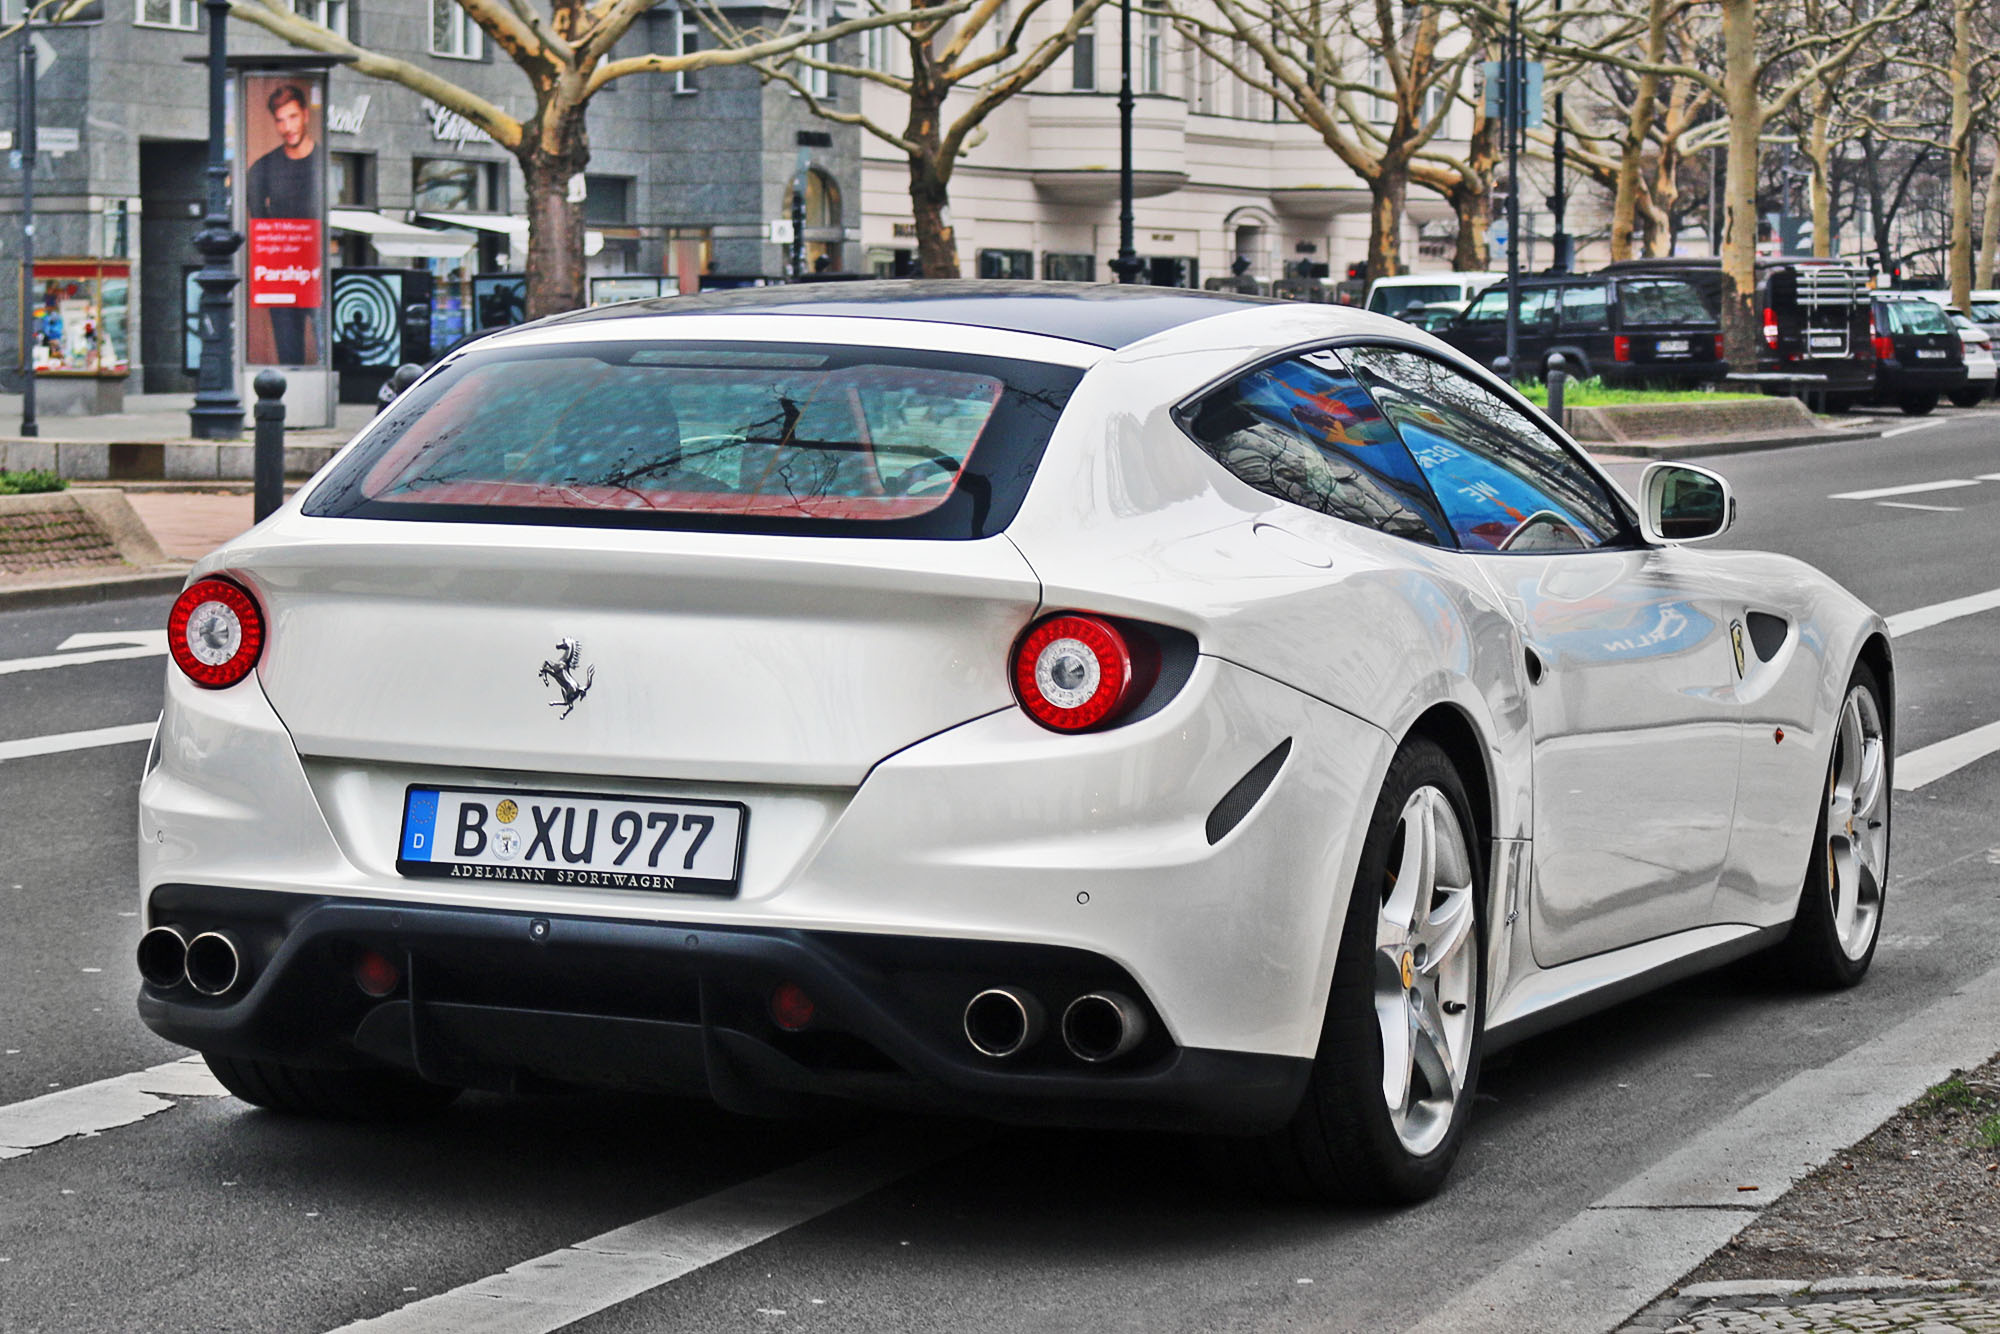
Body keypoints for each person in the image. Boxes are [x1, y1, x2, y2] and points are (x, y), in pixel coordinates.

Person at [247, 84, 322, 365]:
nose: (287, 127)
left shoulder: (323, 162)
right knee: (288, 353)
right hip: (282, 274)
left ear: (305, 114)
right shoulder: (262, 168)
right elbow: (259, 224)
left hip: (317, 272)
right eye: (280, 120)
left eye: (292, 117)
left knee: (324, 346)